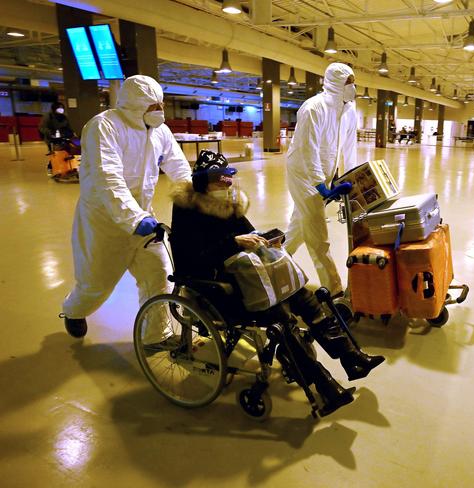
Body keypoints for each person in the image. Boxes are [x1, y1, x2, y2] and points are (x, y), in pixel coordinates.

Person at [169, 151, 384, 416]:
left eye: (228, 179)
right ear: (203, 182)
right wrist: (233, 243)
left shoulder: (229, 203)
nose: (227, 184)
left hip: (249, 277)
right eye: (220, 180)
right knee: (280, 319)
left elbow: (249, 233)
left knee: (304, 296)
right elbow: (190, 261)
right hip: (215, 285)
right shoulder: (187, 210)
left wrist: (265, 240)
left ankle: (351, 358)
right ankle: (323, 383)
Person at [60, 75, 192, 339]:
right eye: (153, 105)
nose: (160, 111)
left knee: (160, 275)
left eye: (161, 105)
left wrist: (193, 192)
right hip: (105, 222)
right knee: (95, 284)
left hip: (144, 219)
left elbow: (177, 164)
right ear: (134, 104)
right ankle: (74, 310)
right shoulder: (104, 126)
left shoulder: (159, 131)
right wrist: (133, 219)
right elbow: (108, 178)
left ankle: (156, 336)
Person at [283, 63, 358, 297]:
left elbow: (349, 146)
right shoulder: (313, 108)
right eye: (349, 82)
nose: (353, 88)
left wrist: (351, 176)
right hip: (303, 174)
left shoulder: (349, 110)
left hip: (323, 174)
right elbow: (309, 149)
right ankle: (334, 288)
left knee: (299, 224)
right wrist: (319, 184)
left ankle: (277, 259)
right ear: (336, 83)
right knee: (317, 230)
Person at [40, 102, 77, 178]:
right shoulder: (48, 117)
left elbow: (68, 127)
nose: (61, 110)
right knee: (55, 153)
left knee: (67, 152)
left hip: (62, 137)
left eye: (62, 108)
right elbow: (42, 128)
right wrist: (50, 133)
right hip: (51, 139)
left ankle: (68, 168)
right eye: (59, 108)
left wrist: (72, 133)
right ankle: (51, 167)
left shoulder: (64, 117)